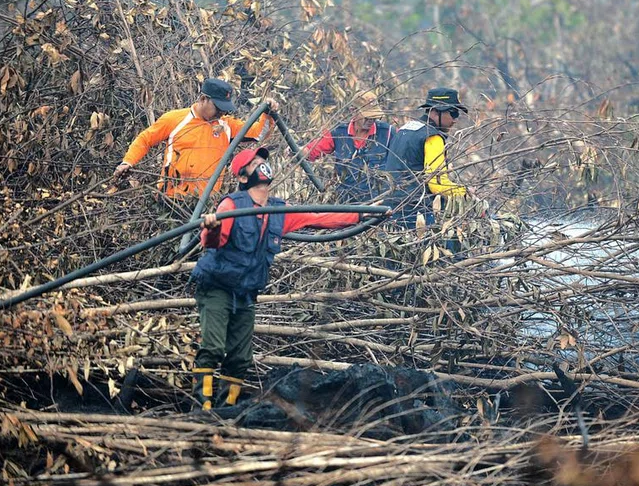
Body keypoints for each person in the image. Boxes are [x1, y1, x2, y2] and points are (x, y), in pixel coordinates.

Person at [189, 147, 378, 410]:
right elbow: (213, 242)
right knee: (213, 347)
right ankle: (202, 409)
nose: (262, 165)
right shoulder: (231, 205)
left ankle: (225, 410)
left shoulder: (279, 211)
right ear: (243, 176)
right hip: (217, 287)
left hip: (247, 292)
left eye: (263, 161)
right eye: (255, 163)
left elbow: (320, 217)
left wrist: (362, 214)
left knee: (241, 357)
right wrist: (210, 227)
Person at [113, 78, 279, 200]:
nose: (222, 113)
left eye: (224, 109)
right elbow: (145, 139)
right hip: (172, 200)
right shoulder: (175, 119)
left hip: (206, 203)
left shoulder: (226, 125)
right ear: (203, 99)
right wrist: (128, 162)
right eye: (218, 107)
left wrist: (268, 114)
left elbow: (258, 134)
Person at [384, 87, 469, 228]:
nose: (455, 120)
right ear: (435, 111)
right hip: (418, 214)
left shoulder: (405, 129)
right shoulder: (433, 137)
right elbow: (437, 184)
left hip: (390, 209)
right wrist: (465, 192)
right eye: (453, 113)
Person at [304, 91, 394, 204]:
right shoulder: (338, 132)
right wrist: (296, 151)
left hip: (377, 203)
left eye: (374, 116)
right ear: (353, 111)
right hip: (346, 203)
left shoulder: (388, 132)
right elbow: (312, 151)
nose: (371, 120)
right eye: (367, 116)